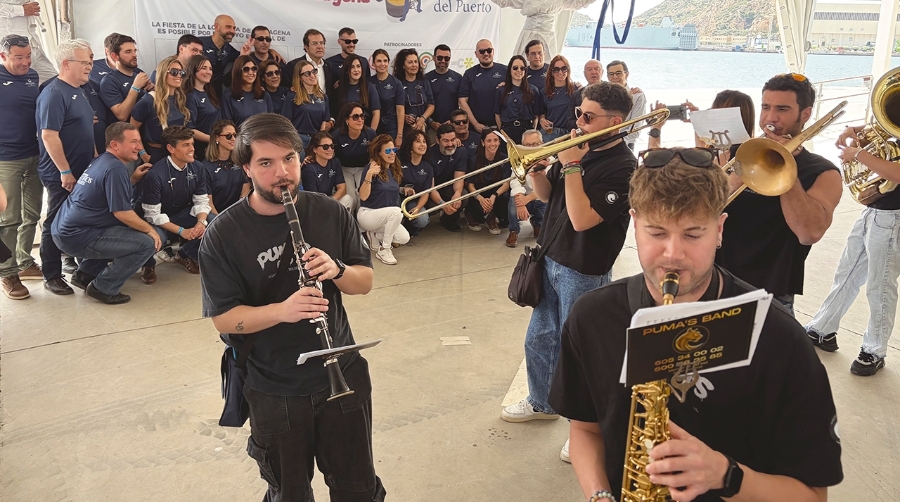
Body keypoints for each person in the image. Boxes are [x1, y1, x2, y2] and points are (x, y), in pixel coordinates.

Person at [548, 147, 843, 500]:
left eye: (692, 234)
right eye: (656, 233)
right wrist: (599, 495)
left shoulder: (778, 336)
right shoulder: (592, 316)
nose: (673, 253)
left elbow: (812, 495)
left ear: (719, 230)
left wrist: (726, 475)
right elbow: (585, 430)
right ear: (634, 224)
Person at [198, 113, 384, 502]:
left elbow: (363, 282)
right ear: (246, 167)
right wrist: (283, 310)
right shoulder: (223, 234)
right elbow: (225, 319)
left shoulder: (329, 211)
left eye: (289, 159)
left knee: (358, 489)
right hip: (274, 387)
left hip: (343, 374)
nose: (281, 172)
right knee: (290, 494)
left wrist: (336, 269)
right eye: (265, 163)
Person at [501, 83, 636, 447]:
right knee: (539, 339)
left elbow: (582, 220)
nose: (578, 121)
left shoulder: (624, 167)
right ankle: (542, 402)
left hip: (585, 268)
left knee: (580, 351)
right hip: (552, 258)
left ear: (616, 121)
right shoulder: (579, 147)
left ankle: (586, 427)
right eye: (579, 112)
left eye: (588, 117)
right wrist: (537, 170)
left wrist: (572, 163)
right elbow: (548, 197)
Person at [716, 73, 843, 316]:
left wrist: (786, 169)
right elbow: (702, 212)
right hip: (718, 284)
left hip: (772, 296)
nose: (770, 118)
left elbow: (809, 233)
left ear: (805, 114)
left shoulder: (822, 172)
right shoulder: (737, 153)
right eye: (765, 107)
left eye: (782, 109)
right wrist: (743, 171)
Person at [804, 123, 900, 376]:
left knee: (880, 286)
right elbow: (883, 126)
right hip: (876, 211)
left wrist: (858, 155)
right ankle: (822, 329)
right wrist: (856, 131)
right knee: (846, 274)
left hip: (895, 217)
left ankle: (875, 350)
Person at [51, 122, 160, 304]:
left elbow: (106, 194)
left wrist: (132, 180)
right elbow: (122, 213)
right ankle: (103, 287)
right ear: (115, 145)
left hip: (67, 230)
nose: (139, 147)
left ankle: (85, 274)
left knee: (122, 233)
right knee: (146, 244)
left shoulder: (102, 160)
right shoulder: (116, 168)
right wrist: (151, 231)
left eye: (139, 141)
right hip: (78, 235)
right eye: (133, 142)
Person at [36, 38, 97, 295]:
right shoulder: (53, 93)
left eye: (90, 62)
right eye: (84, 62)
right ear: (66, 63)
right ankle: (51, 274)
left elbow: (85, 128)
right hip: (63, 173)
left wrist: (94, 158)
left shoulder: (78, 89)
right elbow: (49, 135)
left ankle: (79, 266)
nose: (90, 67)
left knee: (79, 219)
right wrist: (65, 171)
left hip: (82, 169)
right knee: (55, 221)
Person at [0, 33, 42, 299]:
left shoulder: (33, 77)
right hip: (5, 159)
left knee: (32, 215)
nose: (25, 62)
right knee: (8, 219)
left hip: (34, 155)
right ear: (3, 56)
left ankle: (25, 262)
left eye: (28, 56)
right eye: (19, 57)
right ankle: (7, 273)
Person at [141, 125, 211, 275]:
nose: (192, 148)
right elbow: (152, 215)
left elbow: (202, 200)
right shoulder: (156, 174)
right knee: (155, 238)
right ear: (171, 148)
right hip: (157, 219)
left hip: (182, 213)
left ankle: (185, 254)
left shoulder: (197, 167)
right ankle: (148, 264)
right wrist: (182, 231)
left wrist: (201, 222)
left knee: (214, 222)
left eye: (192, 143)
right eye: (185, 145)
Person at [358, 134, 410, 264]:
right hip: (368, 214)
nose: (392, 153)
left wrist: (403, 190)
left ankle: (374, 235)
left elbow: (387, 190)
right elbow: (363, 196)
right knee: (397, 211)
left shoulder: (393, 169)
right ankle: (384, 249)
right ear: (379, 153)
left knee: (404, 238)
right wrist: (369, 174)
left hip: (384, 218)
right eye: (388, 150)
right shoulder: (371, 169)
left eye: (394, 150)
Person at [131, 56, 193, 164]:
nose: (179, 76)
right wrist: (143, 154)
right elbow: (132, 128)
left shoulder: (180, 99)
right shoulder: (149, 101)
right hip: (157, 153)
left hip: (178, 152)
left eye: (181, 73)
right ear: (163, 74)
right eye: (174, 72)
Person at [464, 127, 510, 235]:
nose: (492, 143)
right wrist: (480, 199)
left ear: (499, 142)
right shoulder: (474, 160)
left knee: (506, 197)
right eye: (489, 140)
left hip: (496, 193)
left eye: (495, 140)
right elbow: (470, 185)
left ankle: (493, 215)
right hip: (479, 193)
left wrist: (494, 196)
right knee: (478, 208)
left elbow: (506, 184)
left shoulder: (505, 158)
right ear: (483, 142)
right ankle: (473, 214)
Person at [334, 102, 377, 213]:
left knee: (361, 194)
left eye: (362, 116)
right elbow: (330, 154)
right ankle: (350, 224)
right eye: (355, 116)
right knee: (351, 196)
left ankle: (362, 225)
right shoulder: (336, 136)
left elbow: (375, 154)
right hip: (344, 168)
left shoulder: (370, 134)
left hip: (363, 167)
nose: (360, 120)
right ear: (346, 120)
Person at [506, 129, 547, 247]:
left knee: (549, 210)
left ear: (542, 144)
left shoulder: (550, 161)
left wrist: (527, 199)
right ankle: (513, 231)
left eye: (535, 144)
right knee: (514, 201)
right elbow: (514, 182)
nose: (531, 148)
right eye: (527, 145)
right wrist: (521, 202)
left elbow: (549, 187)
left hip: (540, 199)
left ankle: (537, 223)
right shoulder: (518, 160)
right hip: (522, 197)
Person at [200, 120, 249, 216]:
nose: (233, 139)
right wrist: (221, 220)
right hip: (215, 215)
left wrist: (239, 212)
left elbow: (245, 190)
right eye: (228, 136)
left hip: (238, 212)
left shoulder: (239, 161)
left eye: (235, 135)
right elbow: (208, 203)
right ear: (216, 138)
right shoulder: (205, 167)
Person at [99, 34, 151, 124]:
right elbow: (122, 115)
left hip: (145, 133)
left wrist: (152, 91)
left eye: (135, 51)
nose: (134, 55)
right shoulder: (109, 81)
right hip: (124, 134)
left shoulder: (139, 75)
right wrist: (135, 87)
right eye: (128, 52)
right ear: (115, 56)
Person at [458, 39, 507, 134]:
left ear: (493, 51)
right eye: (481, 51)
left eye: (489, 50)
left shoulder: (506, 71)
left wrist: (508, 85)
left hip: (503, 127)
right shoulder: (469, 74)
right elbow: (462, 102)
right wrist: (475, 124)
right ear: (476, 54)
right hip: (477, 129)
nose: (486, 53)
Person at [0, 0, 56, 82]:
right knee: (15, 87)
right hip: (11, 49)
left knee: (54, 81)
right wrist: (21, 10)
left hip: (33, 44)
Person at [281, 59, 331, 150]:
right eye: (307, 74)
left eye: (314, 71)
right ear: (300, 77)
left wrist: (321, 140)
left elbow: (324, 121)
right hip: (299, 139)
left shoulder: (323, 97)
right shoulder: (293, 95)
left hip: (316, 140)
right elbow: (286, 121)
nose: (312, 76)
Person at [427, 123, 468, 232]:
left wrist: (457, 193)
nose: (450, 144)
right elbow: (430, 187)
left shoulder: (461, 151)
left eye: (453, 139)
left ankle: (449, 220)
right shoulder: (429, 154)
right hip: (431, 189)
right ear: (437, 140)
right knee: (428, 209)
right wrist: (442, 204)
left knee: (462, 195)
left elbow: (459, 178)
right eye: (445, 141)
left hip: (448, 187)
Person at [494, 55, 542, 144]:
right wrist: (503, 133)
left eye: (522, 68)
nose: (519, 71)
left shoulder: (533, 90)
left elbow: (536, 116)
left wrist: (533, 131)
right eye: (515, 68)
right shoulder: (501, 91)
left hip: (527, 130)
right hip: (508, 132)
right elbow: (497, 115)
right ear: (510, 70)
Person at [199, 14, 251, 92]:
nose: (232, 31)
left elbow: (242, 57)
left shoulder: (229, 49)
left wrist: (270, 51)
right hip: (197, 92)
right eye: (228, 27)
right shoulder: (199, 43)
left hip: (217, 95)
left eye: (234, 28)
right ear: (217, 27)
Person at [183, 54, 220, 161]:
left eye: (210, 69)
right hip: (200, 150)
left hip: (213, 148)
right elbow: (190, 129)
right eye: (204, 68)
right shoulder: (190, 96)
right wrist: (213, 140)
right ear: (193, 69)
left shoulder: (210, 92)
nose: (208, 72)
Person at [398, 129, 434, 238]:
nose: (422, 145)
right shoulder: (399, 161)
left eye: (424, 142)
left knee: (422, 219)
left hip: (413, 201)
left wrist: (418, 207)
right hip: (395, 198)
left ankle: (410, 230)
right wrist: (402, 189)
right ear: (410, 145)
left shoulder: (428, 167)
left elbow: (426, 192)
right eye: (418, 141)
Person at [302, 132, 351, 211]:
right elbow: (313, 199)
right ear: (314, 149)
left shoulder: (335, 162)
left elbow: (342, 188)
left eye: (332, 146)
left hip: (329, 200)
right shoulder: (309, 169)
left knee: (348, 199)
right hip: (315, 206)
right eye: (325, 147)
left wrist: (331, 201)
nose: (330, 149)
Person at [221, 55, 274, 127]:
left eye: (254, 69)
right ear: (238, 71)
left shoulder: (264, 94)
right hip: (241, 137)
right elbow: (227, 126)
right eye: (246, 69)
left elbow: (272, 122)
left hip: (264, 137)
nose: (251, 72)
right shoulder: (228, 96)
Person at [332, 54, 380, 131]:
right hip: (343, 132)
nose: (356, 70)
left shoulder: (369, 87)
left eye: (358, 66)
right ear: (347, 70)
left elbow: (376, 113)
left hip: (364, 131)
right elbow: (334, 112)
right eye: (352, 67)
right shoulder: (339, 87)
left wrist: (371, 133)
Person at [425, 44, 462, 141]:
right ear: (434, 58)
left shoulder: (458, 78)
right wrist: (431, 122)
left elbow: (463, 104)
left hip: (453, 127)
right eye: (440, 58)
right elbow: (423, 105)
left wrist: (454, 121)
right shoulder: (426, 79)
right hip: (432, 128)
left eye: (446, 58)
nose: (443, 61)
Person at [606, 60, 646, 150]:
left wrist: (614, 142)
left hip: (625, 145)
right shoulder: (603, 95)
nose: (615, 77)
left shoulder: (637, 96)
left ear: (626, 74)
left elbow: (636, 129)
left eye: (618, 73)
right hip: (603, 144)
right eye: (611, 74)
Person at [394, 48, 433, 138]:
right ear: (403, 65)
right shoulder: (397, 83)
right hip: (404, 129)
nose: (414, 65)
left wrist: (422, 119)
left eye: (416, 62)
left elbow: (431, 105)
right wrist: (403, 116)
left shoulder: (424, 81)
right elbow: (393, 107)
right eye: (410, 62)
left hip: (422, 127)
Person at [539, 55, 579, 142]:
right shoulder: (544, 92)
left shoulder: (576, 89)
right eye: (556, 69)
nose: (560, 72)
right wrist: (542, 120)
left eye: (564, 68)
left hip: (571, 133)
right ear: (552, 72)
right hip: (551, 133)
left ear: (568, 70)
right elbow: (541, 112)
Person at [285, 29, 332, 96]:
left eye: (322, 43)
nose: (319, 47)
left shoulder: (329, 67)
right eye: (314, 43)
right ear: (306, 47)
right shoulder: (293, 66)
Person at [371, 49, 404, 143]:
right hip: (373, 126)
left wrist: (399, 135)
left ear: (388, 62)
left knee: (390, 154)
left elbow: (400, 110)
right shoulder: (368, 82)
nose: (382, 64)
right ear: (373, 64)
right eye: (379, 61)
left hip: (391, 127)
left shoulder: (397, 83)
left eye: (385, 61)